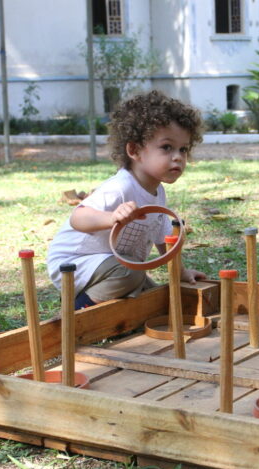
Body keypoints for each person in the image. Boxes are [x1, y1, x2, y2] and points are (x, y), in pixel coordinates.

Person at [47, 90, 206, 309]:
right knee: (132, 274)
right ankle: (78, 314)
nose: (178, 156)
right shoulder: (120, 187)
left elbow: (164, 243)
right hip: (75, 262)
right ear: (134, 150)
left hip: (111, 265)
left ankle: (113, 317)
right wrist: (112, 217)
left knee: (153, 297)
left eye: (183, 149)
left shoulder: (158, 193)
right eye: (166, 147)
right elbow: (78, 218)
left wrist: (181, 273)